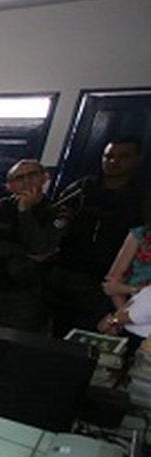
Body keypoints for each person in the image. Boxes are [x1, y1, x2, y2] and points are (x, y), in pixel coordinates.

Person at [47, 138, 146, 335]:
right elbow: (53, 219)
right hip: (68, 275)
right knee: (56, 334)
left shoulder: (141, 197)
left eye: (123, 156)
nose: (113, 162)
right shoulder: (82, 188)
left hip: (107, 283)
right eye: (109, 156)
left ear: (137, 159)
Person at [0, 159, 58, 345]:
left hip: (23, 294)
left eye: (32, 175)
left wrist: (24, 212)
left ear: (45, 177)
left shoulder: (55, 212)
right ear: (9, 185)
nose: (26, 182)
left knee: (9, 346)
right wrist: (20, 251)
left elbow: (41, 249)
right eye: (19, 178)